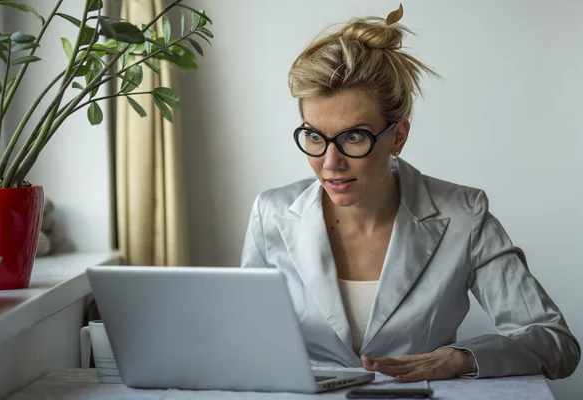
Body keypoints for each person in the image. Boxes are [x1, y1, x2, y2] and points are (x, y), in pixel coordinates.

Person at [240, 5, 580, 382]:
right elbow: (243, 339)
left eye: (355, 137)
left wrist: (461, 357)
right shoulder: (270, 213)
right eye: (315, 137)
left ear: (398, 136)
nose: (330, 162)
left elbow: (556, 343)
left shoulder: (464, 216)